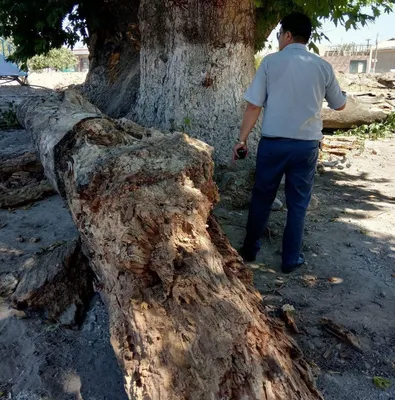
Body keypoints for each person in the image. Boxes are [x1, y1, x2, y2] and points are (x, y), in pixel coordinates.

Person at [233, 12, 347, 273]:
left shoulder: (270, 64)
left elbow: (253, 105)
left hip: (273, 144)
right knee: (298, 203)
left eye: (279, 35)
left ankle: (250, 250)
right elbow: (339, 105)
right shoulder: (323, 66)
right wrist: (344, 96)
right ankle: (290, 259)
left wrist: (241, 139)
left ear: (286, 34)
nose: (278, 40)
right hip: (306, 146)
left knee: (262, 197)